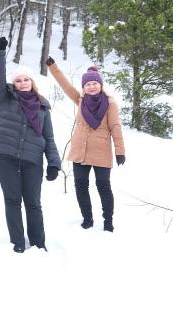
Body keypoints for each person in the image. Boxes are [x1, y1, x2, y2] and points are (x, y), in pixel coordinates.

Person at [0, 36, 61, 253]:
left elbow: (49, 138)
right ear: (14, 83)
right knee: (13, 200)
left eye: (26, 79)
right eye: (19, 80)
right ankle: (18, 242)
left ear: (32, 82)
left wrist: (54, 163)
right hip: (6, 159)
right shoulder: (5, 98)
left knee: (33, 203)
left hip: (32, 161)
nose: (22, 83)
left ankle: (39, 243)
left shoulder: (42, 107)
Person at [47, 58, 125, 231]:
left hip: (101, 152)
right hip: (80, 151)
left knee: (103, 186)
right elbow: (65, 85)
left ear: (100, 84)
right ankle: (87, 218)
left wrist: (120, 150)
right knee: (80, 186)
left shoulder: (110, 103)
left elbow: (115, 127)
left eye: (94, 83)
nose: (91, 86)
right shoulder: (80, 100)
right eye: (87, 84)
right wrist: (53, 67)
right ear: (84, 87)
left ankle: (108, 221)